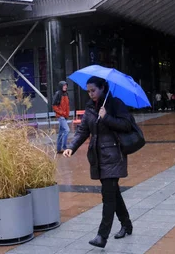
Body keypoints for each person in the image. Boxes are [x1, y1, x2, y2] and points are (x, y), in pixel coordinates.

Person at [63, 76, 133, 249]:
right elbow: (83, 130)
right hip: (98, 157)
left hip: (114, 155)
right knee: (113, 193)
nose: (91, 94)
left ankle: (102, 236)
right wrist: (72, 146)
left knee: (108, 195)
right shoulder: (90, 107)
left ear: (103, 88)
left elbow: (127, 125)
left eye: (93, 90)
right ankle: (127, 224)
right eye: (88, 91)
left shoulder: (115, 104)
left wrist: (107, 117)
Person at [52, 81, 70, 154]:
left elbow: (67, 106)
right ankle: (64, 147)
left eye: (66, 85)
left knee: (61, 132)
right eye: (64, 85)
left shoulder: (66, 94)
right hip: (61, 116)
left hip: (65, 116)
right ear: (61, 86)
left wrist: (66, 114)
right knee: (67, 130)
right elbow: (54, 106)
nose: (65, 87)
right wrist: (62, 113)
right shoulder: (58, 94)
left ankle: (59, 149)